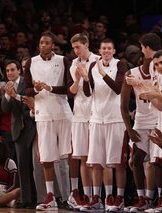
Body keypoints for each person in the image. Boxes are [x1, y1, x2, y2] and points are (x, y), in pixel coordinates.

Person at [79, 38, 128, 211]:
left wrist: (103, 74)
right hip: (96, 118)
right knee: (97, 162)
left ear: (114, 51)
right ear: (99, 51)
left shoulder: (121, 65)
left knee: (118, 162)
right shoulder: (93, 66)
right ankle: (99, 198)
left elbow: (118, 89)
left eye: (109, 48)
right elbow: (87, 93)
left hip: (115, 118)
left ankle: (118, 198)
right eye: (103, 49)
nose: (106, 51)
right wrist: (85, 79)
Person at [25, 34, 73, 210]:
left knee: (67, 155)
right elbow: (27, 89)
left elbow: (69, 88)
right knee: (46, 157)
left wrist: (50, 88)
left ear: (53, 45)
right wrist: (35, 90)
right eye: (41, 43)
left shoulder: (63, 60)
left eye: (47, 43)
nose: (43, 45)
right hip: (43, 113)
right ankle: (50, 196)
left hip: (62, 111)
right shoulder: (31, 62)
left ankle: (70, 196)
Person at [121, 57, 159, 212]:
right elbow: (123, 105)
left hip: (158, 120)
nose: (154, 66)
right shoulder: (132, 73)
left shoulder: (161, 74)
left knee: (157, 162)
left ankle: (157, 198)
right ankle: (142, 198)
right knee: (137, 159)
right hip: (141, 122)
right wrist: (130, 129)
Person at [66, 33, 99, 210]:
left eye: (78, 47)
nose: (76, 51)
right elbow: (71, 92)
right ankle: (86, 196)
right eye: (73, 48)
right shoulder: (73, 64)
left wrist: (86, 77)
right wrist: (78, 79)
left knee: (95, 159)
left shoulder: (98, 61)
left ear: (86, 45)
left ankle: (97, 196)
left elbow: (95, 91)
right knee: (83, 158)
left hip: (96, 114)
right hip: (79, 114)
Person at [1, 60, 34, 208]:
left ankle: (41, 197)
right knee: (22, 166)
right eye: (7, 71)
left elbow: (28, 103)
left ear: (19, 71)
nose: (10, 73)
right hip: (19, 129)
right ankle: (26, 199)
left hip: (34, 126)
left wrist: (14, 95)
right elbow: (6, 109)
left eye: (12, 70)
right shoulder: (4, 87)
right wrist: (8, 95)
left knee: (37, 165)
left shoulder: (28, 83)